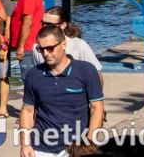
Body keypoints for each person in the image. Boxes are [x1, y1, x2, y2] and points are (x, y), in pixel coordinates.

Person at [20, 25, 104, 157]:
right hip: (40, 147)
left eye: (50, 48)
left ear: (63, 45)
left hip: (75, 148)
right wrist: (25, 144)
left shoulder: (86, 70)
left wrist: (89, 143)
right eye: (41, 49)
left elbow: (96, 107)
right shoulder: (33, 74)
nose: (45, 54)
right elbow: (27, 111)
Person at [31, 6, 103, 84]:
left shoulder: (79, 45)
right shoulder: (38, 48)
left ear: (63, 25)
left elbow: (97, 76)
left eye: (49, 24)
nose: (44, 27)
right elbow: (37, 76)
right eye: (43, 23)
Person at [8, 0, 43, 81]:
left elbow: (28, 22)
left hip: (28, 43)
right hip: (27, 42)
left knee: (28, 77)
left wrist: (21, 46)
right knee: (30, 76)